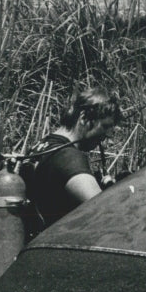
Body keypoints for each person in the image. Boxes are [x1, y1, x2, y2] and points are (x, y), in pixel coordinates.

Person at [24, 87, 122, 231]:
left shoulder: (41, 146)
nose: (107, 135)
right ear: (84, 118)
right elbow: (105, 215)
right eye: (105, 126)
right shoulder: (68, 157)